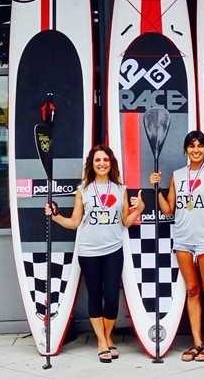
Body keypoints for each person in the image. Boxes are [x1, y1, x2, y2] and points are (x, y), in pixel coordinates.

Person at [44, 144, 145, 363]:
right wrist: (55, 216)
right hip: (89, 252)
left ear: (111, 163)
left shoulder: (120, 189)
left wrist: (139, 209)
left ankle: (108, 337)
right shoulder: (83, 190)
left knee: (111, 296)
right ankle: (102, 342)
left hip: (113, 250)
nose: (102, 164)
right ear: (92, 163)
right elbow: (74, 222)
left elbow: (125, 222)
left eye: (105, 160)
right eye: (98, 160)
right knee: (95, 295)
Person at [153, 130, 204, 362]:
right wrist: (156, 189)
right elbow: (168, 210)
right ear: (186, 149)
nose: (196, 150)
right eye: (191, 146)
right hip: (183, 239)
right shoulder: (177, 175)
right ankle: (197, 342)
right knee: (192, 290)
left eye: (200, 146)